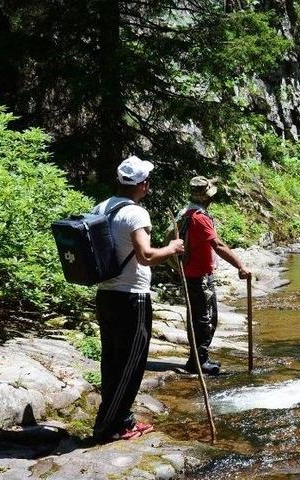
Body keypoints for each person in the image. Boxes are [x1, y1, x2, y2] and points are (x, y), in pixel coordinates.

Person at [91, 156, 184, 442]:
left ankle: (121, 418)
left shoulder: (101, 207)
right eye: (147, 180)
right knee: (131, 364)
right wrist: (172, 247)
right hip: (132, 297)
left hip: (106, 294)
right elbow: (146, 256)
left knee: (112, 360)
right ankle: (110, 426)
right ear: (142, 185)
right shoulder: (136, 213)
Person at [178, 176, 252, 375]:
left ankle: (197, 358)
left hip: (190, 272)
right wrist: (240, 266)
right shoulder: (199, 218)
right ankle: (199, 362)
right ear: (206, 197)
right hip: (199, 275)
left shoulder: (185, 212)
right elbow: (217, 245)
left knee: (200, 316)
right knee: (205, 318)